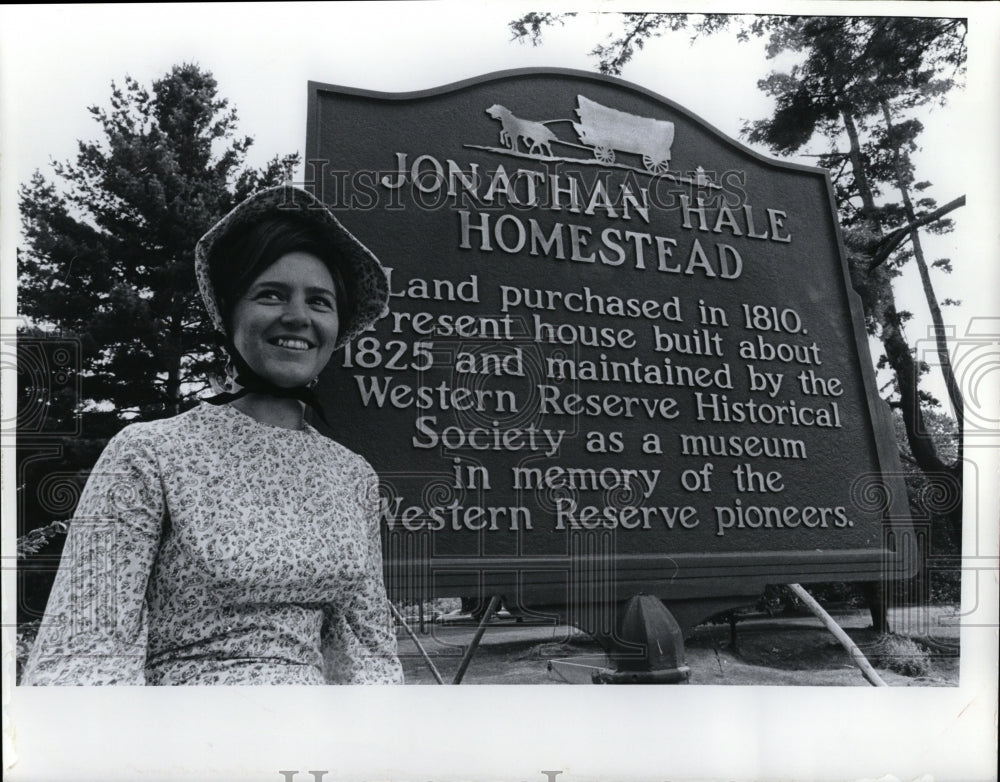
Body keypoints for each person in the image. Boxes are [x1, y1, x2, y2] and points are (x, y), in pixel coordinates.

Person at [22, 185, 404, 685]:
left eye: (320, 301)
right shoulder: (150, 454)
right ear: (228, 311)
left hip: (315, 747)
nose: (298, 316)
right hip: (186, 742)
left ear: (339, 325)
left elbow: (367, 648)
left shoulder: (352, 475)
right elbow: (88, 648)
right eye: (271, 294)